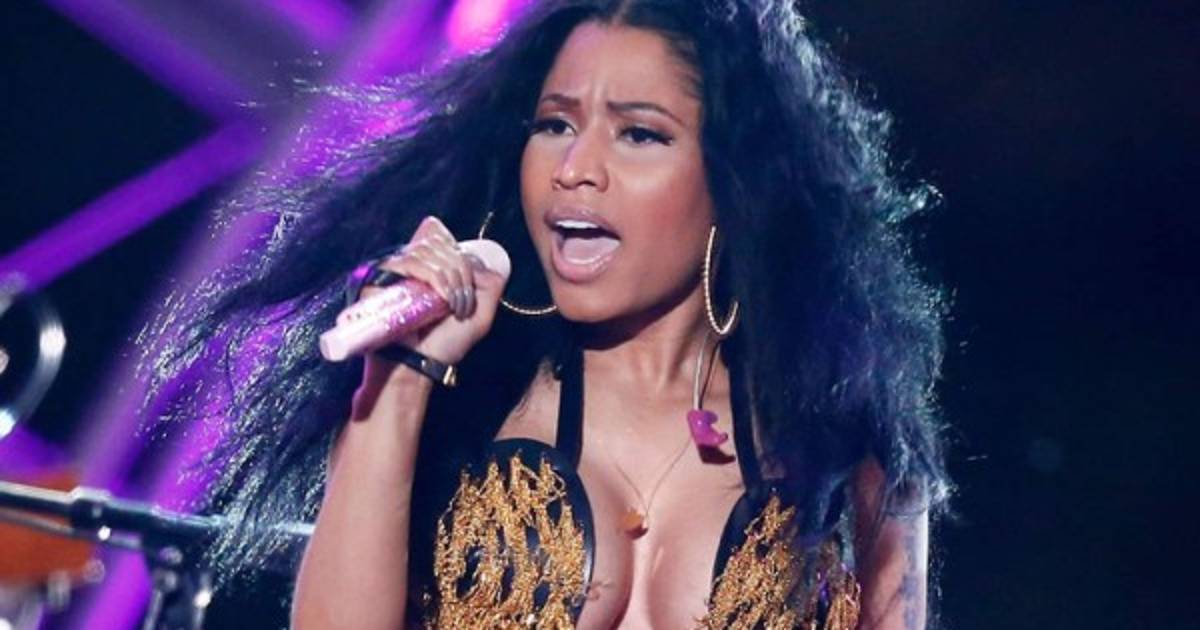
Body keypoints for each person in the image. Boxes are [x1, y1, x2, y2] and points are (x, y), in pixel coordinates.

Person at [149, 0, 951, 627]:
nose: (575, 168)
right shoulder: (465, 400)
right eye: (555, 124)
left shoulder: (845, 444)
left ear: (732, 182)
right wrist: (396, 385)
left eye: (638, 134)